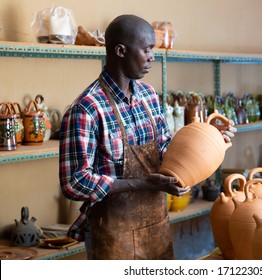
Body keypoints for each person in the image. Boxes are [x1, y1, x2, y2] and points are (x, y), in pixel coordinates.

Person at [59, 14, 236, 260]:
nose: (153, 56)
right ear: (120, 51)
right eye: (147, 49)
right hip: (112, 235)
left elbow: (165, 148)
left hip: (155, 226)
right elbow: (74, 182)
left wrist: (210, 140)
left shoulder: (148, 96)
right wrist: (143, 184)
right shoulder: (87, 108)